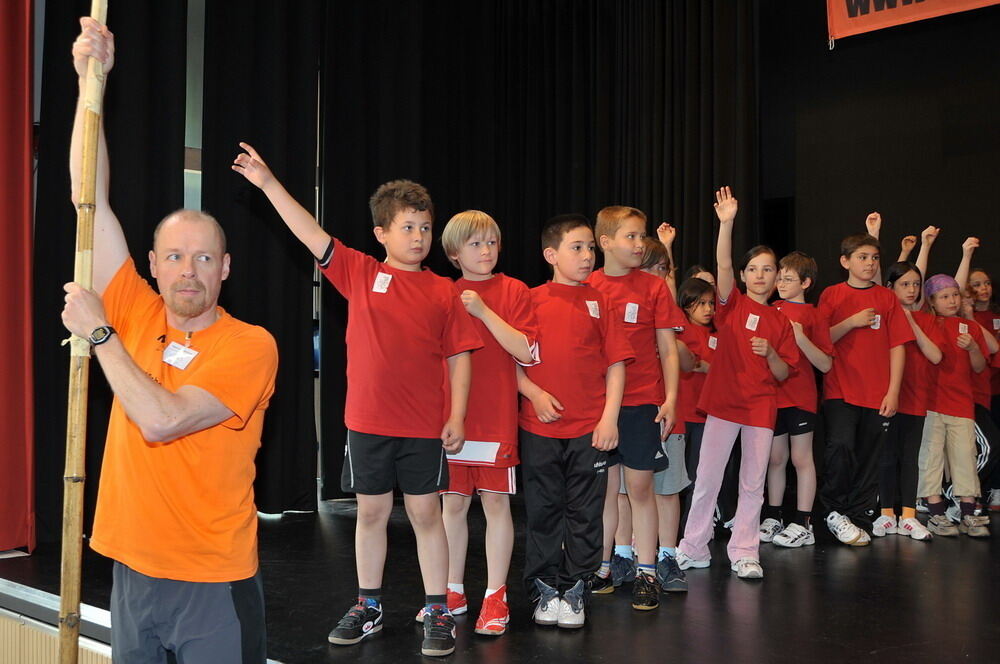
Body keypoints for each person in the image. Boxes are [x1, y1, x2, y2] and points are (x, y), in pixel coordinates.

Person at [63, 20, 278, 663]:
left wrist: (99, 334)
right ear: (153, 265)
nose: (190, 270)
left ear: (226, 268)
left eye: (205, 258)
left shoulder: (249, 346)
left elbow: (162, 420)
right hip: (131, 569)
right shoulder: (133, 305)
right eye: (176, 256)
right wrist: (87, 83)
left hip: (213, 581)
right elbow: (88, 200)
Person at [233, 146, 481, 657]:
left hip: (423, 428)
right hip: (368, 422)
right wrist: (267, 183)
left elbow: (460, 357)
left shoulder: (443, 291)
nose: (418, 237)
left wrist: (456, 415)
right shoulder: (362, 273)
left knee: (426, 515)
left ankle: (438, 608)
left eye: (424, 228)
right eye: (407, 227)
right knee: (370, 515)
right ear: (382, 234)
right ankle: (368, 605)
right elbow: (309, 234)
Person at [675, 187, 798, 580]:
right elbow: (722, 265)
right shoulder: (733, 305)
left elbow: (783, 373)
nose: (761, 276)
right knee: (707, 479)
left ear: (778, 276)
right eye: (755, 270)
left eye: (769, 269)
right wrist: (726, 223)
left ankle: (745, 550)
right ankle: (693, 547)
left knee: (752, 483)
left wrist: (772, 354)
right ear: (745, 276)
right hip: (724, 405)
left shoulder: (782, 322)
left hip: (761, 408)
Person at [516, 214, 633, 628]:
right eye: (577, 248)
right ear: (551, 254)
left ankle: (576, 586)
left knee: (585, 512)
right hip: (539, 426)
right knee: (544, 509)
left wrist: (609, 419)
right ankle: (546, 588)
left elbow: (617, 365)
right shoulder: (528, 299)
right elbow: (511, 359)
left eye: (590, 248)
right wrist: (533, 392)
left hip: (590, 428)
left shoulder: (602, 302)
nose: (587, 256)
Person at [432, 210, 539, 636]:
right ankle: (451, 590)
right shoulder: (442, 293)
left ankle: (497, 596)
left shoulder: (514, 289)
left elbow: (528, 351)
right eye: (475, 244)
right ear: (455, 253)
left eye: (492, 242)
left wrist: (483, 312)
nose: (486, 251)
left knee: (496, 504)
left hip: (495, 417)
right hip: (451, 419)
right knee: (452, 505)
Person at [587, 206, 685, 610]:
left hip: (644, 401)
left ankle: (647, 571)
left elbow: (667, 348)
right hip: (598, 407)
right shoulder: (588, 285)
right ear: (605, 242)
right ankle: (605, 565)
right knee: (606, 492)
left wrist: (672, 398)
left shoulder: (653, 287)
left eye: (642, 236)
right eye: (630, 236)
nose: (639, 243)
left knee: (641, 489)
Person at [818, 232, 913, 545]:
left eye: (874, 258)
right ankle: (834, 510)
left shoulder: (887, 298)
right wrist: (851, 322)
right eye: (862, 257)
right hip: (840, 389)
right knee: (841, 446)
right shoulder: (831, 295)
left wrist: (894, 391)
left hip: (878, 392)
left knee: (871, 455)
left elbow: (898, 346)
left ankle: (858, 517)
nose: (870, 263)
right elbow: (820, 341)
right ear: (845, 261)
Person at [759, 251, 833, 548]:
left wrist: (801, 338)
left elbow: (826, 364)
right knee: (775, 459)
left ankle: (804, 522)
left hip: (801, 397)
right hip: (771, 397)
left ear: (806, 282)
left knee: (802, 459)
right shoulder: (770, 308)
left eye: (788, 279)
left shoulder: (816, 315)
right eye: (778, 278)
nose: (780, 283)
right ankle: (773, 516)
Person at [919, 274, 990, 537]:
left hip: (961, 404)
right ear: (932, 301)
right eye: (944, 296)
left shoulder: (970, 328)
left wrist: (972, 348)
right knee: (932, 457)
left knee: (965, 459)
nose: (952, 300)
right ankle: (936, 514)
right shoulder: (926, 322)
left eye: (955, 295)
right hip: (931, 403)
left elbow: (980, 366)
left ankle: (969, 514)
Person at [876, 258, 940, 541]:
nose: (912, 289)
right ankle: (886, 515)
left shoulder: (926, 319)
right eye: (905, 284)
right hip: (888, 398)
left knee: (910, 459)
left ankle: (909, 516)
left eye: (916, 284)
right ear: (890, 287)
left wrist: (911, 322)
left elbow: (936, 356)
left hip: (916, 400)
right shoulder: (883, 317)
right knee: (887, 457)